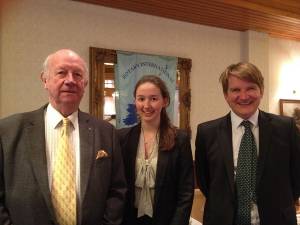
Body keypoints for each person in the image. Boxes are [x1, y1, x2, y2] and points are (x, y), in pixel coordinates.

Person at [0, 49, 126, 225]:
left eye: (77, 74)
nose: (70, 80)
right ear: (45, 79)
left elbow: (117, 191)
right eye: (61, 73)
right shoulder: (8, 130)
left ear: (85, 83)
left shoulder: (106, 132)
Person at [195, 62, 300, 225]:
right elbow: (205, 181)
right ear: (225, 94)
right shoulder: (207, 133)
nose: (244, 96)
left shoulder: (286, 128)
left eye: (250, 88)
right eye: (236, 90)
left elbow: (296, 176)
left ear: (261, 91)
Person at [118, 75, 194, 225]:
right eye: (141, 99)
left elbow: (185, 192)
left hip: (166, 220)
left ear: (164, 101)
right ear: (135, 102)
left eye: (153, 99)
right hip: (129, 220)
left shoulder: (180, 139)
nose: (146, 105)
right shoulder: (122, 138)